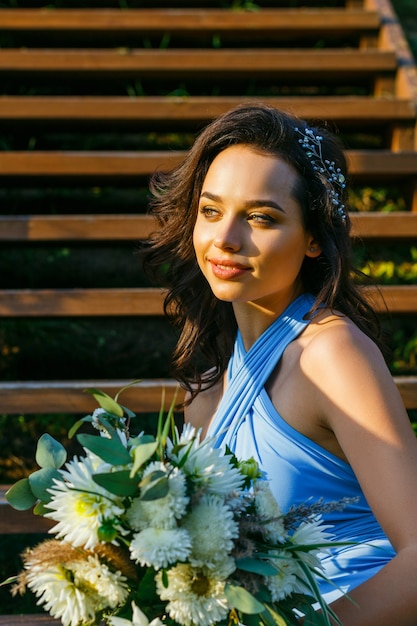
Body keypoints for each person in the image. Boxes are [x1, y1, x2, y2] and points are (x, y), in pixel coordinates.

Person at [143, 102, 417, 625]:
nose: (225, 239)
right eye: (210, 210)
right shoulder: (207, 389)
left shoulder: (330, 355)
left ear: (314, 238)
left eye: (261, 218)